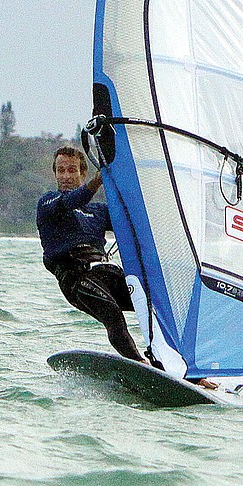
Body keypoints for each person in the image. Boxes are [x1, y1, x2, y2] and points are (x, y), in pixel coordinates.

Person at [36, 145, 146, 363]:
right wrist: (97, 181)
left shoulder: (99, 211)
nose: (66, 176)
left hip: (108, 273)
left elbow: (135, 222)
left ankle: (179, 367)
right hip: (77, 277)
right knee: (112, 314)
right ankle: (140, 362)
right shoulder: (49, 203)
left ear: (83, 173)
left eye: (72, 170)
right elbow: (71, 200)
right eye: (61, 170)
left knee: (156, 306)